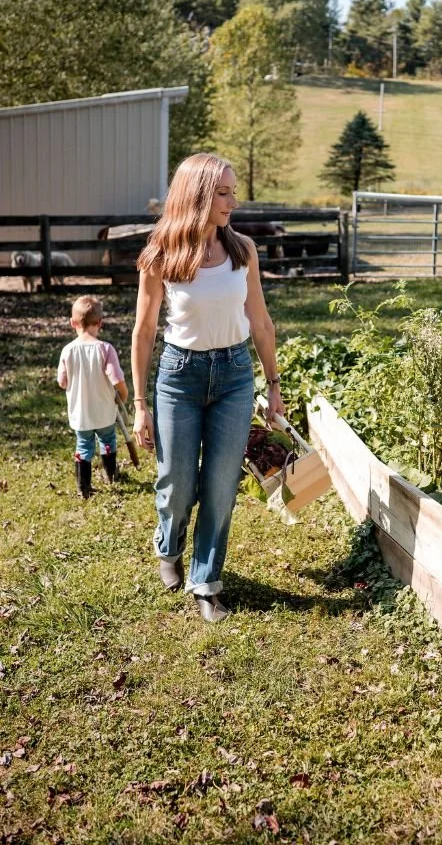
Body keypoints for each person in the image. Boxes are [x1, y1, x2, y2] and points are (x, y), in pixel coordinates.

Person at [131, 153, 285, 623]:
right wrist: (139, 404)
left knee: (220, 486)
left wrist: (274, 384)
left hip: (236, 376)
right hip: (180, 377)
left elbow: (259, 320)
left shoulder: (243, 250)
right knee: (177, 482)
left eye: (233, 192)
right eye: (223, 192)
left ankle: (206, 581)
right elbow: (143, 330)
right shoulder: (163, 253)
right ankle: (169, 545)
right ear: (196, 195)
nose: (232, 202)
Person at [57, 295, 128, 498]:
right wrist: (123, 395)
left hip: (81, 413)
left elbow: (62, 382)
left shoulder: (67, 351)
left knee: (83, 444)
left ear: (73, 323)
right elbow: (116, 379)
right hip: (104, 410)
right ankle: (110, 474)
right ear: (100, 323)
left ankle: (84, 486)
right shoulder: (105, 349)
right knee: (107, 439)